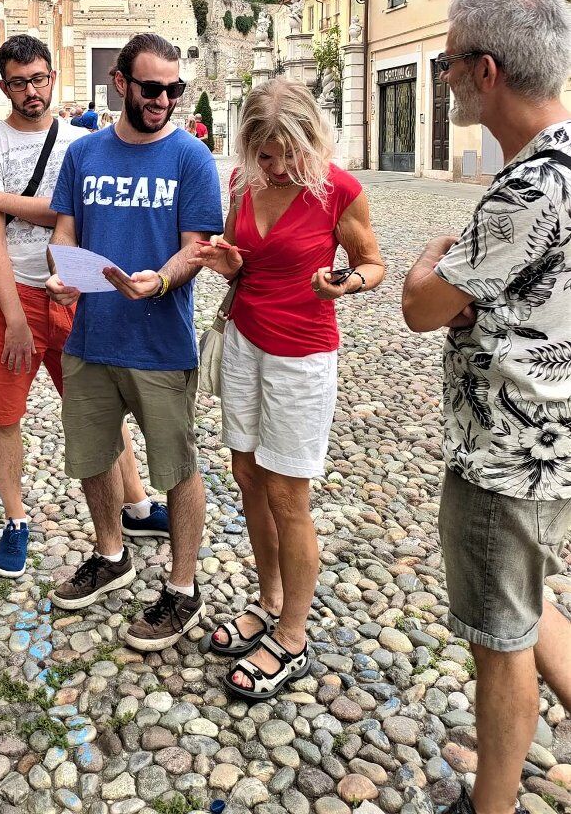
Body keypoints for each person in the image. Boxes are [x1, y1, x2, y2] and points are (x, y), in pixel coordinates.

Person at [402, 0, 571, 814]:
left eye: (448, 63)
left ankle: (492, 806)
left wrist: (428, 257)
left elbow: (422, 308)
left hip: (507, 454)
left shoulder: (527, 190)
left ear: (488, 71)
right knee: (531, 600)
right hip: (553, 440)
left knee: (501, 643)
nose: (445, 77)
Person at [195, 80, 384, 700]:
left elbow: (374, 264)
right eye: (265, 155)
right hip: (247, 338)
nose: (277, 168)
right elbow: (239, 256)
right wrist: (227, 262)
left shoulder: (338, 190)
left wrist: (346, 284)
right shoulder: (244, 183)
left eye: (288, 155)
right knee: (247, 473)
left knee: (287, 491)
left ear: (312, 141)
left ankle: (294, 635)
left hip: (303, 353)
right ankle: (269, 598)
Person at [0, 35, 169, 579]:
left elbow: (72, 215)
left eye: (40, 79)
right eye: (18, 81)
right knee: (4, 414)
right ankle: (15, 519)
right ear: (2, 85)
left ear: (54, 76)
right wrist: (12, 319)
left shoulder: (83, 142)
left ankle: (139, 504)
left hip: (75, 291)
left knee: (103, 408)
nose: (31, 91)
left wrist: (3, 200)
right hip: (13, 296)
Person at [46, 32, 224, 650]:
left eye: (175, 90)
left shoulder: (191, 159)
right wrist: (61, 273)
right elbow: (65, 231)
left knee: (176, 467)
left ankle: (182, 588)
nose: (164, 100)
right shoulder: (84, 154)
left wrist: (164, 278)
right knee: (93, 457)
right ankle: (110, 552)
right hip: (91, 339)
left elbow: (197, 247)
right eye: (152, 88)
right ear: (121, 83)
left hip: (160, 343)